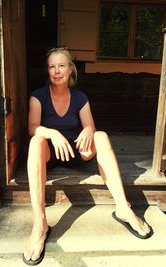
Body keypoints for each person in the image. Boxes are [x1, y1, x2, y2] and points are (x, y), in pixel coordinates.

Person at [23, 47, 152, 265]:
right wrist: (52, 133)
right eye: (52, 66)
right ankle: (40, 224)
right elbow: (32, 127)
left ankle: (123, 208)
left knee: (100, 136)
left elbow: (90, 126)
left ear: (70, 68)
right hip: (50, 153)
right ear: (48, 70)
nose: (56, 71)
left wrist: (88, 131)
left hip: (77, 150)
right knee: (36, 141)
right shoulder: (38, 96)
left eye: (61, 65)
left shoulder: (80, 97)